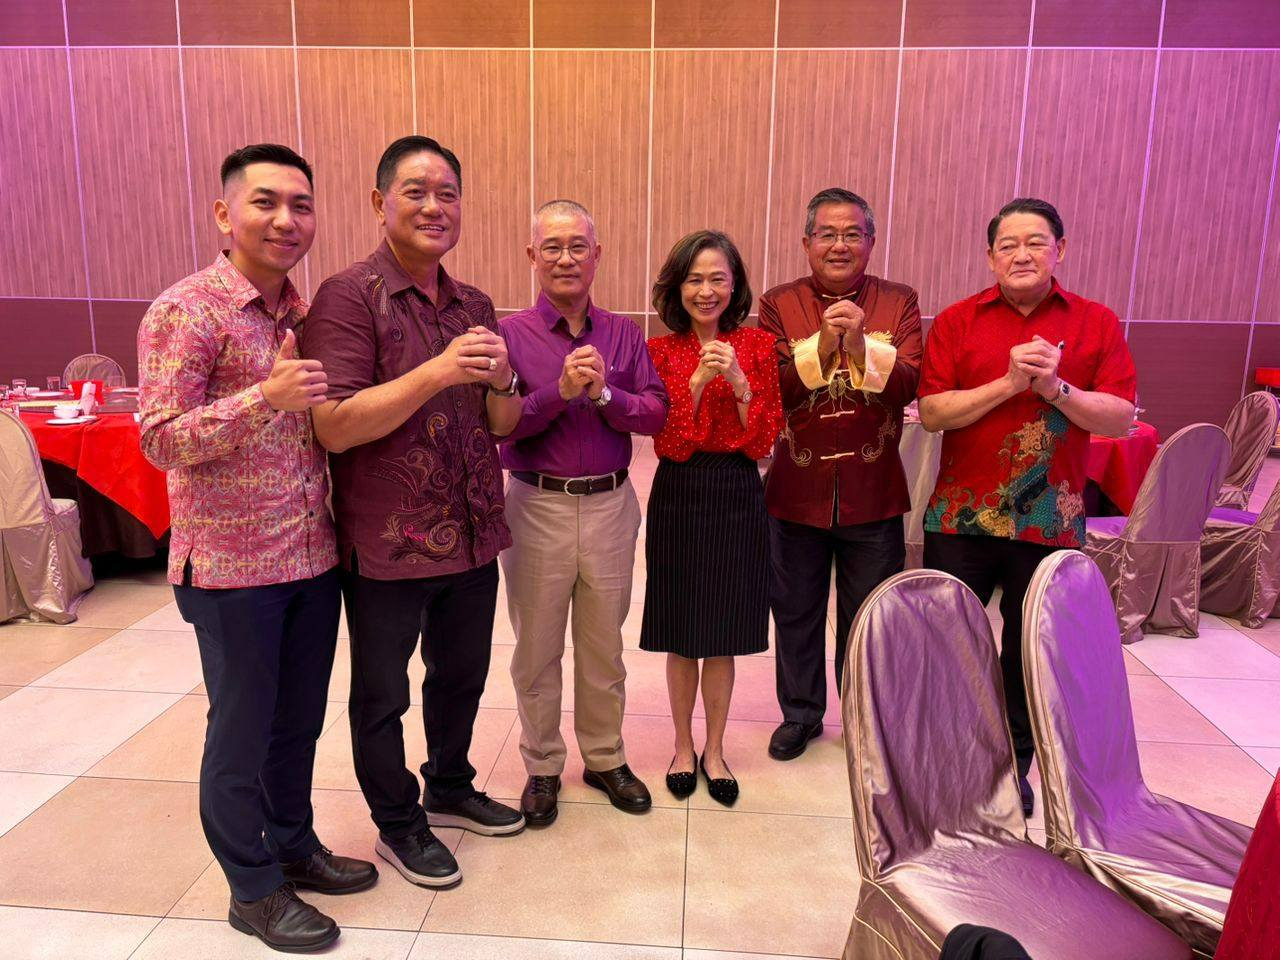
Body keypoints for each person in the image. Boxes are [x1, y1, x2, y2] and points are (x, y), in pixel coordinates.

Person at [138, 144, 376, 954]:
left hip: (310, 558)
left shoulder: (301, 315)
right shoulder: (188, 310)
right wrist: (263, 399)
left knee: (296, 725)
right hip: (231, 570)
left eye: (301, 205)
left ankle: (295, 844)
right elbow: (159, 440)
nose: (286, 220)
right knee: (240, 734)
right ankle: (251, 886)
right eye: (266, 202)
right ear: (224, 214)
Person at [302, 136, 525, 889]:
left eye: (448, 194)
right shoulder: (348, 295)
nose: (435, 207)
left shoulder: (475, 304)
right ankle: (398, 823)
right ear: (380, 202)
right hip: (388, 542)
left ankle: (451, 784)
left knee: (461, 676)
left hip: (473, 534)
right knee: (382, 695)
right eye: (416, 192)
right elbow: (334, 425)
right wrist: (437, 371)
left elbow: (501, 424)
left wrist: (504, 382)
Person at [918, 197, 1136, 815]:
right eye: (1007, 245)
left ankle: (1013, 764)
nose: (1021, 254)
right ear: (990, 256)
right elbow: (932, 413)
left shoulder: (1095, 322)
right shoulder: (958, 321)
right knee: (952, 646)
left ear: (1059, 250)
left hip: (1049, 520)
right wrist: (1011, 384)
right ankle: (950, 764)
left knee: (1027, 651)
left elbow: (1120, 418)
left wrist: (1055, 388)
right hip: (961, 515)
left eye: (1035, 242)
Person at [496, 199, 668, 826]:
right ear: (532, 256)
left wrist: (605, 395)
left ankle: (604, 757)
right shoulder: (509, 336)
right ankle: (542, 765)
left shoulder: (623, 333)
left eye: (577, 247)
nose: (565, 258)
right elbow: (500, 427)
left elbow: (655, 412)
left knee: (603, 646)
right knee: (537, 649)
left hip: (611, 506)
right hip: (535, 505)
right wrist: (558, 392)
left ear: (597, 255)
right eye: (552, 246)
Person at [758, 187, 923, 761]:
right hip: (795, 491)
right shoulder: (778, 303)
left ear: (871, 242)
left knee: (870, 616)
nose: (839, 245)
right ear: (806, 242)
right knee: (795, 610)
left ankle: (863, 717)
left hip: (873, 491)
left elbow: (909, 384)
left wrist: (860, 344)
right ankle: (800, 714)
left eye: (852, 234)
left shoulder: (899, 301)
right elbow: (775, 388)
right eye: (827, 234)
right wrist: (826, 344)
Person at [641, 230, 781, 805]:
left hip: (737, 490)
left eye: (717, 278)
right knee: (681, 632)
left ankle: (715, 750)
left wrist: (740, 382)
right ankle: (682, 746)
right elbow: (669, 444)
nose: (706, 290)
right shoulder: (660, 351)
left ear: (734, 285)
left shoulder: (759, 345)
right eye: (694, 279)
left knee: (722, 632)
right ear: (678, 287)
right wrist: (697, 384)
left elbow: (763, 441)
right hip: (678, 489)